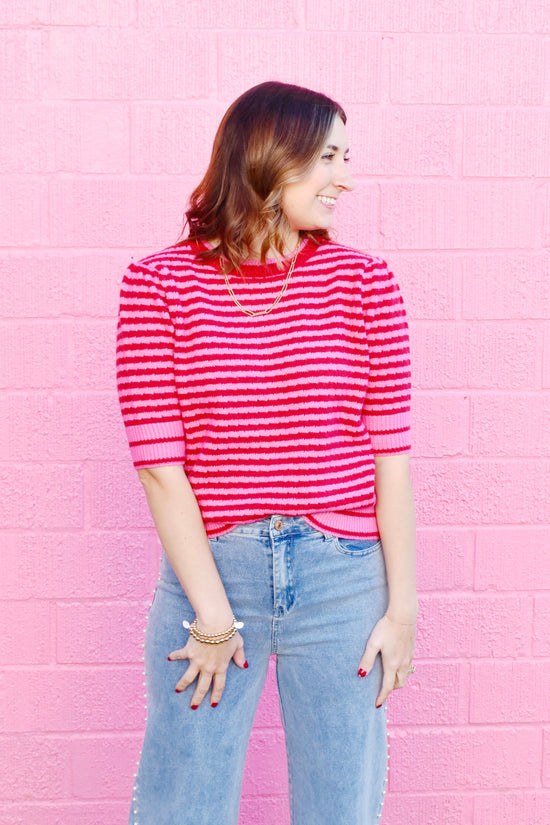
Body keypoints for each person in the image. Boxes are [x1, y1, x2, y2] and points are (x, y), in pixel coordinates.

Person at [116, 80, 417, 825]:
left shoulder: (367, 285)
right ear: (270, 158)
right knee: (181, 805)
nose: (343, 177)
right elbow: (160, 464)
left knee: (339, 808)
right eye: (327, 157)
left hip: (344, 580)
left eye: (344, 157)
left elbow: (391, 463)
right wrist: (214, 615)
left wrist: (403, 606)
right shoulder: (156, 284)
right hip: (212, 575)